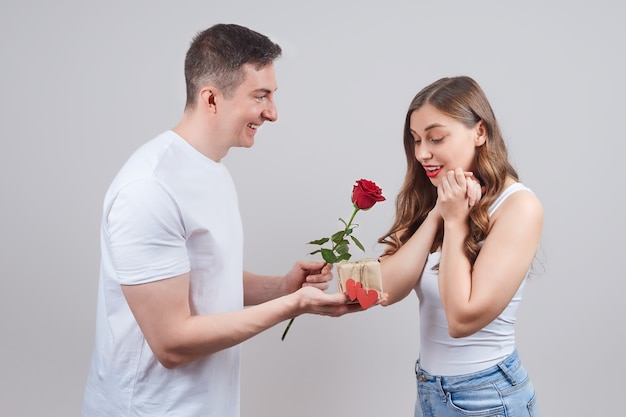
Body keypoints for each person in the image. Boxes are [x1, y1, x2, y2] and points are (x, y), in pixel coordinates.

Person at [81, 23, 364, 417]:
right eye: (260, 96)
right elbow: (171, 343)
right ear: (211, 99)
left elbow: (207, 278)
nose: (273, 113)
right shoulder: (149, 188)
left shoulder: (214, 171)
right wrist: (293, 305)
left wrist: (281, 288)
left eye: (273, 95)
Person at [377, 76, 543, 416]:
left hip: (487, 398)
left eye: (436, 138)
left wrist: (455, 223)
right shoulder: (437, 198)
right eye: (416, 140)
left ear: (480, 132)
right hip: (430, 392)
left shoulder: (518, 206)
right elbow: (386, 290)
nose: (423, 153)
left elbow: (462, 319)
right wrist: (439, 211)